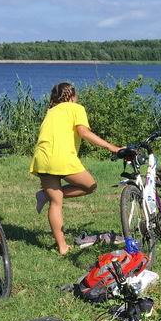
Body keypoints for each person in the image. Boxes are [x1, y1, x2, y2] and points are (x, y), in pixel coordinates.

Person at [30, 82, 121, 255]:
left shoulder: (50, 111)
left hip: (41, 158)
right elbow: (84, 132)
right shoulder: (76, 108)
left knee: (56, 202)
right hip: (61, 157)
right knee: (90, 186)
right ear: (72, 96)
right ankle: (46, 195)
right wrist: (112, 147)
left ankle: (62, 247)